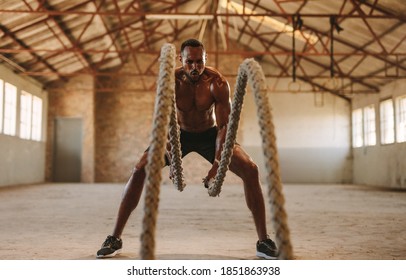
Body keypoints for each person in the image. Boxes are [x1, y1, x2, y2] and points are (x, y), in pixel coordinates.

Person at [96, 38, 278, 259]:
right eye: (189, 62)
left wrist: (218, 166)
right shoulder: (169, 81)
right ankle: (114, 238)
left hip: (210, 135)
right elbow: (164, 124)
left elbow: (223, 128)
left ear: (205, 59)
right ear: (180, 59)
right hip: (176, 133)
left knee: (251, 169)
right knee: (139, 169)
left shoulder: (217, 83)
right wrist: (172, 158)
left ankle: (263, 241)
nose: (195, 67)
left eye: (199, 62)